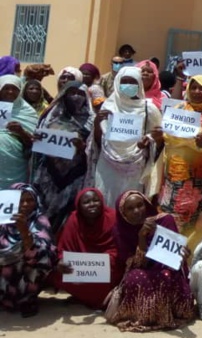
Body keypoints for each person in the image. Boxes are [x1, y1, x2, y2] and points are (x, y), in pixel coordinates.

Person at [155, 75, 202, 252]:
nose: (196, 92)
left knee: (196, 224)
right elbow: (167, 138)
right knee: (169, 221)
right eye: (193, 87)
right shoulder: (178, 109)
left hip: (199, 184)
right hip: (172, 180)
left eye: (201, 88)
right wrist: (159, 137)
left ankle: (188, 266)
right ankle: (165, 267)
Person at [106, 190, 195, 332]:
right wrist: (142, 237)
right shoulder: (120, 231)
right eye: (130, 208)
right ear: (123, 213)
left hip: (166, 272)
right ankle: (143, 317)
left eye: (140, 205)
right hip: (141, 271)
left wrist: (181, 256)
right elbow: (134, 265)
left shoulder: (165, 220)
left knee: (166, 276)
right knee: (136, 277)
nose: (136, 211)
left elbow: (174, 262)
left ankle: (165, 316)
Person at [90, 67, 162, 206]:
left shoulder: (149, 108)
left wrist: (149, 140)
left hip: (135, 166)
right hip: (107, 164)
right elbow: (99, 140)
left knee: (129, 204)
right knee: (105, 201)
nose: (128, 85)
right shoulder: (109, 106)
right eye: (124, 81)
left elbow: (159, 136)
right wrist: (97, 122)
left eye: (132, 82)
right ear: (117, 83)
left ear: (139, 84)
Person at [30, 82, 93, 233]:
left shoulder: (92, 120)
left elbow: (95, 150)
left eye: (80, 94)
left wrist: (82, 147)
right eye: (72, 93)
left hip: (76, 175)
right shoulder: (50, 116)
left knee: (67, 216)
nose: (76, 97)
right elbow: (40, 144)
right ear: (64, 95)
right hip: (48, 175)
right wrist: (36, 139)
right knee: (45, 212)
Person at [55, 187, 119, 309]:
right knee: (57, 272)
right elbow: (64, 248)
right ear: (79, 206)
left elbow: (119, 247)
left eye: (96, 200)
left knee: (113, 268)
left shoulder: (113, 218)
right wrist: (63, 261)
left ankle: (102, 299)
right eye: (86, 202)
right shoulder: (74, 220)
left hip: (107, 266)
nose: (92, 205)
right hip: (82, 268)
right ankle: (84, 297)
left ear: (102, 201)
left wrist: (103, 262)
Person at [0, 183, 57, 317]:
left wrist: (24, 231)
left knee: (43, 257)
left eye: (29, 200)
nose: (25, 204)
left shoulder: (40, 220)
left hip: (26, 273)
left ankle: (26, 301)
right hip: (3, 273)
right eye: (20, 200)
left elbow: (45, 253)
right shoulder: (2, 221)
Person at [0, 75, 39, 189]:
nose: (10, 92)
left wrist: (21, 132)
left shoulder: (27, 112)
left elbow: (35, 142)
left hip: (15, 167)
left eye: (15, 89)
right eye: (6, 88)